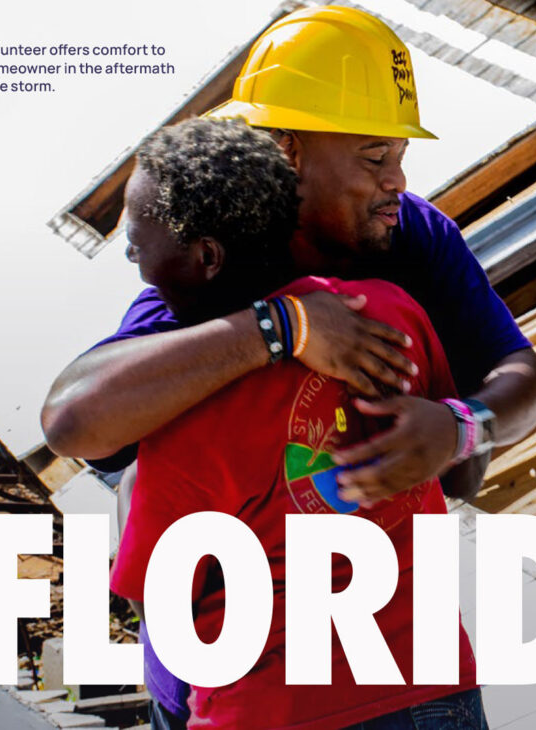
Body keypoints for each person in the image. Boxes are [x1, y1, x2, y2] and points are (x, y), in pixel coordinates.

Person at [42, 5, 536, 727]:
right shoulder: (218, 260)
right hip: (244, 692)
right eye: (374, 158)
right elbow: (75, 418)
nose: (397, 181)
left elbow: (526, 385)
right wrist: (283, 329)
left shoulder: (411, 241)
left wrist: (460, 427)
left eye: (399, 154)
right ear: (288, 151)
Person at [110, 116, 485, 729]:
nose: (134, 260)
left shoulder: (182, 417)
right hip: (431, 692)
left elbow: (160, 603)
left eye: (136, 243)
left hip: (270, 710)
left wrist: (133, 500)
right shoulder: (393, 312)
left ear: (206, 256)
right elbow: (462, 475)